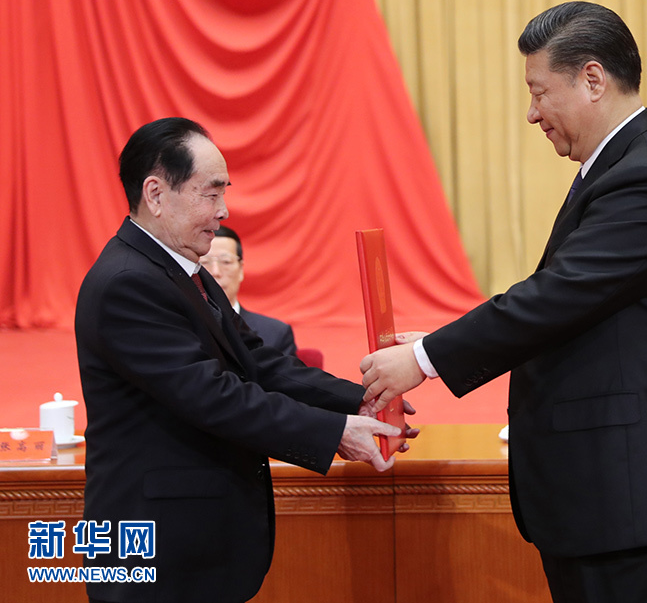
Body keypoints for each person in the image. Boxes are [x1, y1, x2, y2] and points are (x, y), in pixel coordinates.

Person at [360, 2, 647, 603]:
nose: (532, 114)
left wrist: (426, 359)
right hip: (608, 500)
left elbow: (556, 298)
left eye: (538, 93)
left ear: (592, 79)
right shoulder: (618, 167)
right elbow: (575, 308)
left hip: (636, 503)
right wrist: (432, 344)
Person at [75, 117, 413, 603]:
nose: (224, 210)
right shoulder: (127, 283)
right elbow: (213, 396)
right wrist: (333, 432)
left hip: (198, 537)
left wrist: (359, 399)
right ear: (155, 193)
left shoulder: (181, 269)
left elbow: (257, 360)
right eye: (210, 194)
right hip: (157, 546)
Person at [203, 225, 299, 357]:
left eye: (226, 262)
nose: (215, 272)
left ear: (241, 269)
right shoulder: (179, 326)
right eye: (204, 262)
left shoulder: (275, 333)